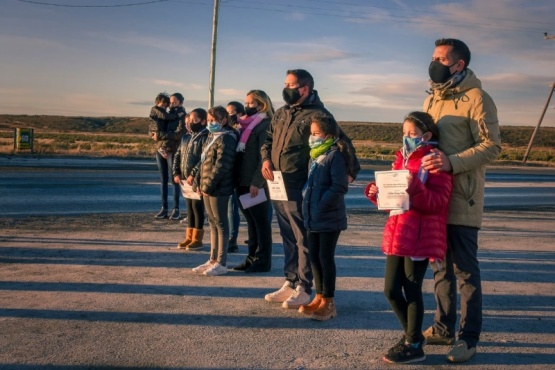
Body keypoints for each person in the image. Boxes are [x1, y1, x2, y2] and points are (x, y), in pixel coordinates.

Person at [420, 38, 501, 363]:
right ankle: (443, 327)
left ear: (459, 65)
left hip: (462, 198)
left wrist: (451, 162)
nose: (434, 63)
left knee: (465, 271)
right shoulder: (432, 101)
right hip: (433, 199)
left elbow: (492, 146)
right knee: (439, 268)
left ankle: (468, 339)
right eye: (433, 57)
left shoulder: (478, 99)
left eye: (441, 58)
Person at [260, 69, 360, 309]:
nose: (286, 88)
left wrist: (349, 172)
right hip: (277, 182)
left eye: (291, 84)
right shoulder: (282, 113)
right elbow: (268, 140)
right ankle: (290, 280)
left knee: (302, 235)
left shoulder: (319, 114)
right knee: (287, 234)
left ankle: (304, 286)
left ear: (304, 89)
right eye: (285, 83)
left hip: (300, 184)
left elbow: (342, 142)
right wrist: (265, 158)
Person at [366, 112, 453, 364]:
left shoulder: (435, 162)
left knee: (411, 289)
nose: (406, 138)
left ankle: (413, 342)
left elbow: (437, 203)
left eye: (411, 133)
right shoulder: (400, 161)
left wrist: (414, 186)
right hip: (399, 231)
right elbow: (392, 203)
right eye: (404, 133)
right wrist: (375, 193)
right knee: (390, 290)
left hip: (420, 234)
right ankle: (413, 336)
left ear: (426, 135)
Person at [297, 113, 349, 321]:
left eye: (316, 133)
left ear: (328, 134)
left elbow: (339, 186)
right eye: (311, 133)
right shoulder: (315, 156)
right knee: (315, 258)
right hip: (313, 216)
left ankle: (329, 301)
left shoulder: (335, 156)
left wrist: (321, 204)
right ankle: (318, 296)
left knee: (325, 258)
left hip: (328, 217)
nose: (312, 137)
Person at [231, 90, 274, 273]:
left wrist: (257, 181)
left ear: (261, 104)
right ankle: (251, 258)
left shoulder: (264, 125)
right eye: (246, 103)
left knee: (261, 223)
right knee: (251, 222)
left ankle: (263, 260)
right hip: (242, 180)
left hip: (255, 183)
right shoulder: (246, 125)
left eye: (250, 104)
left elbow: (264, 156)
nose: (246, 106)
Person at [192, 106, 238, 276]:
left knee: (221, 224)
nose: (210, 123)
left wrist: (207, 186)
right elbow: (203, 162)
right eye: (209, 120)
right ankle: (212, 259)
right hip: (207, 187)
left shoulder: (227, 139)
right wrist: (198, 181)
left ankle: (221, 262)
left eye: (214, 120)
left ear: (223, 121)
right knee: (212, 222)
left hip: (219, 188)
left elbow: (221, 166)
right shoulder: (212, 137)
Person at [172, 108, 209, 251]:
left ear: (203, 121)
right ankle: (189, 236)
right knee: (189, 209)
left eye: (194, 120)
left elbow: (203, 159)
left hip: (196, 179)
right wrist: (176, 172)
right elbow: (177, 156)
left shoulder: (205, 137)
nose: (191, 124)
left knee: (197, 208)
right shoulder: (186, 137)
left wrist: (194, 174)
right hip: (185, 180)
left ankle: (197, 239)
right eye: (188, 121)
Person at [150, 92, 186, 220]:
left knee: (174, 179)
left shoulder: (182, 116)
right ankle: (164, 208)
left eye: (174, 102)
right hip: (160, 149)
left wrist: (160, 135)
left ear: (180, 103)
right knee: (163, 179)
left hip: (173, 150)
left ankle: (176, 209)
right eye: (170, 102)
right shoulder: (164, 114)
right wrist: (154, 135)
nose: (171, 104)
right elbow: (153, 129)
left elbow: (178, 134)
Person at [225, 101, 246, 253]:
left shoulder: (245, 129)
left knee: (240, 207)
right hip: (231, 173)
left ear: (239, 113)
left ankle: (233, 239)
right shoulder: (229, 130)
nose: (228, 115)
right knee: (231, 207)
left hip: (242, 173)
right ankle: (232, 238)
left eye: (231, 112)